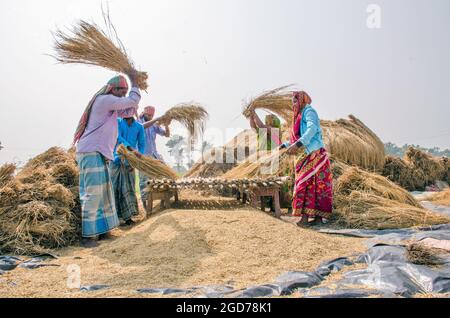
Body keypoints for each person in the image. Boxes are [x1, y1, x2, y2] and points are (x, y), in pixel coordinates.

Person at [75, 73, 141, 247]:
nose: (124, 94)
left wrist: (135, 88)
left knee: (104, 194)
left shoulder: (110, 104)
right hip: (91, 151)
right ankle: (88, 237)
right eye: (122, 91)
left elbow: (130, 109)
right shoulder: (104, 100)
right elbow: (132, 102)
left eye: (126, 91)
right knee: (93, 194)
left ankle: (103, 232)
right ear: (113, 89)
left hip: (99, 153)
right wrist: (135, 83)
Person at [280, 91, 332, 226]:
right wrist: (285, 145)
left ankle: (310, 218)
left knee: (313, 186)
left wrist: (298, 145)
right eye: (292, 101)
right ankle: (311, 218)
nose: (293, 103)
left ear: (302, 101)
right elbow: (296, 137)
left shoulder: (309, 112)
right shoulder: (298, 117)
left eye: (295, 101)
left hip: (315, 154)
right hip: (306, 155)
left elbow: (312, 129)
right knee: (309, 185)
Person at [110, 116, 146, 226]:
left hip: (130, 162)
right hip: (116, 159)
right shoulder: (118, 122)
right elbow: (118, 137)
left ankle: (128, 217)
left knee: (128, 187)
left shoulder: (139, 127)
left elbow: (142, 144)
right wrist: (131, 149)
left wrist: (137, 159)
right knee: (114, 188)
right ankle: (115, 218)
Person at [137, 106, 171, 206]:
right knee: (144, 181)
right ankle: (145, 204)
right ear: (144, 113)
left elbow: (166, 134)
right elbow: (142, 127)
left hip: (154, 154)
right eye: (149, 115)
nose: (150, 117)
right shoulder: (138, 122)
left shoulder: (154, 125)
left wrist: (166, 125)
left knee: (164, 175)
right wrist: (156, 119)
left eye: (152, 116)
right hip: (142, 157)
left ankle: (163, 201)